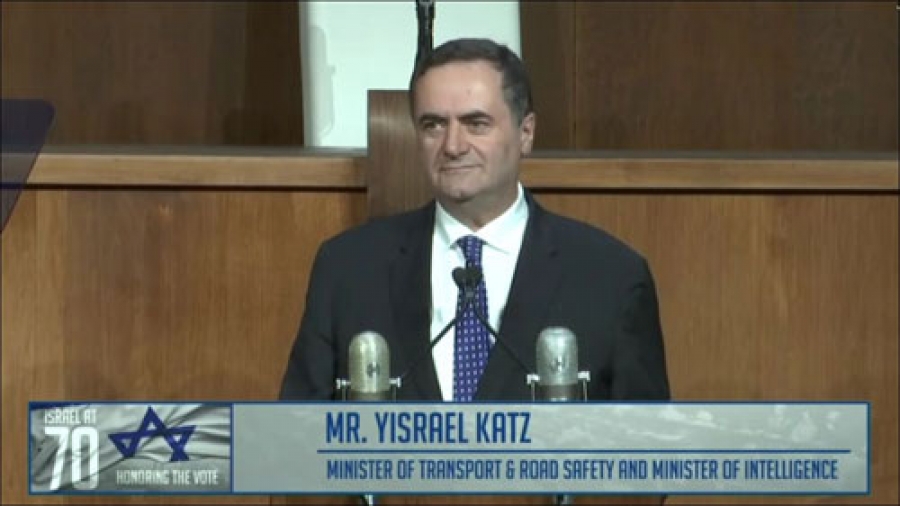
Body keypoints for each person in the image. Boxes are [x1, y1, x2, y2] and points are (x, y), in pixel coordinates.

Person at [279, 38, 669, 402]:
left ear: (526, 133)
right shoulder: (348, 268)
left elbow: (644, 442)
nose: (452, 146)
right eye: (433, 125)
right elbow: (294, 434)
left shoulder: (610, 277)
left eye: (476, 124)